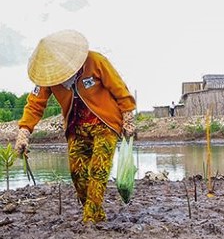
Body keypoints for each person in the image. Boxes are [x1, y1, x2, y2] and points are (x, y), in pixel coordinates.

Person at [14, 30, 136, 223]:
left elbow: (120, 90)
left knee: (98, 170)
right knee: (77, 173)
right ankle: (97, 214)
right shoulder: (48, 77)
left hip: (105, 124)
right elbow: (35, 104)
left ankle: (89, 220)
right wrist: (24, 132)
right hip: (76, 128)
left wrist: (128, 117)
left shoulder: (95, 61)